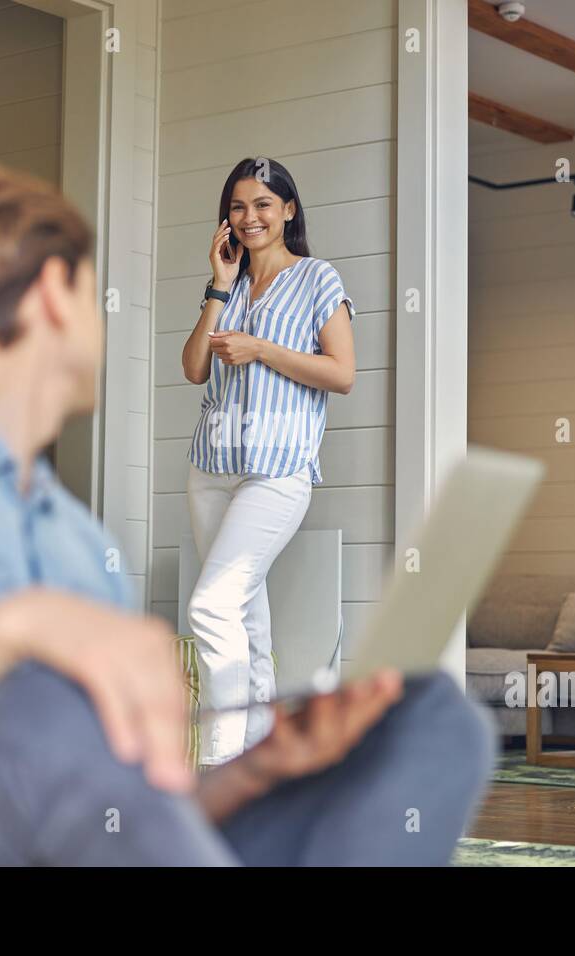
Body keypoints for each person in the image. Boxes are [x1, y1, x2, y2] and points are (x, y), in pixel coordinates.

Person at [0, 165, 495, 866]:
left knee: (431, 717)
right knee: (41, 707)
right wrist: (16, 629)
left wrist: (260, 769)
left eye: (262, 205)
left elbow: (117, 805)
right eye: (97, 292)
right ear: (57, 296)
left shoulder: (81, 549)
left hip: (103, 842)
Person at [180, 157, 356, 765]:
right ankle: (261, 767)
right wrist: (218, 286)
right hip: (212, 468)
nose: (249, 216)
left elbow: (342, 373)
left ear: (288, 210)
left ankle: (220, 764)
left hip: (277, 472)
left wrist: (261, 350)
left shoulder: (317, 279)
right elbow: (194, 367)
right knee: (246, 621)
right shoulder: (226, 284)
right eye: (237, 206)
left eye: (261, 204)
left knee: (211, 605)